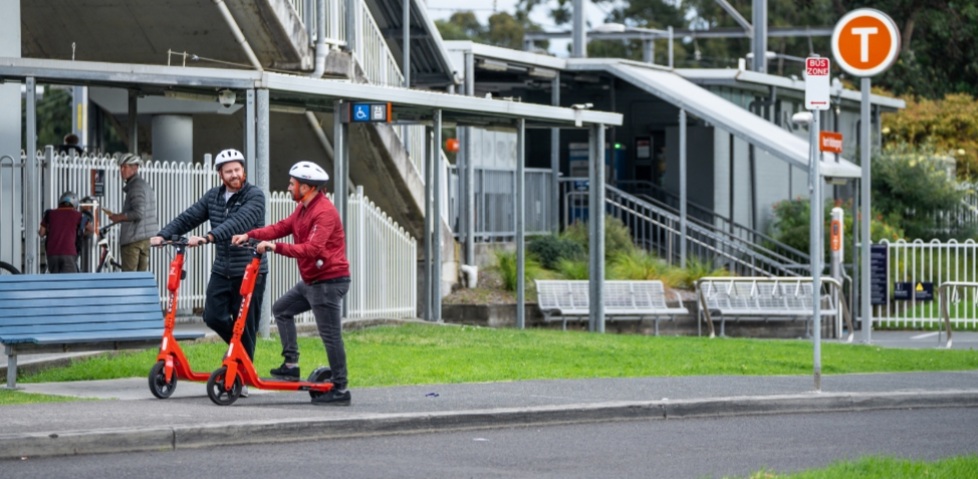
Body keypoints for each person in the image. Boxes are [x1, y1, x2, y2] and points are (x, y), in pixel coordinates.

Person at [232, 161, 352, 406]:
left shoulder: (324, 212)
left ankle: (341, 389)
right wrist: (251, 235)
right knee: (281, 309)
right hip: (312, 281)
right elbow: (282, 227)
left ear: (305, 187)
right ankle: (291, 365)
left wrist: (274, 248)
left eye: (292, 184)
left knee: (330, 336)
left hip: (329, 281)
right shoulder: (304, 209)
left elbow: (312, 249)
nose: (289, 187)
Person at [150, 149, 268, 364]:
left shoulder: (255, 196)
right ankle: (240, 353)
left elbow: (239, 222)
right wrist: (163, 234)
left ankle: (240, 374)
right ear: (220, 174)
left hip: (250, 269)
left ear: (244, 171)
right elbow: (189, 217)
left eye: (237, 170)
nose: (234, 175)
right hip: (222, 269)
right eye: (228, 171)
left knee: (246, 325)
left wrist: (209, 237)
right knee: (212, 316)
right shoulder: (213, 196)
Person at [108, 153, 159, 272]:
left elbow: (138, 213)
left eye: (124, 167)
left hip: (133, 240)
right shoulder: (144, 185)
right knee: (141, 278)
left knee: (129, 279)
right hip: (144, 239)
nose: (121, 170)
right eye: (120, 167)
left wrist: (119, 217)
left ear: (135, 168)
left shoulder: (136, 187)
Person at [39, 191, 94, 273]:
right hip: (69, 252)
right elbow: (91, 230)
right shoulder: (78, 215)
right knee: (70, 282)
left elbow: (41, 233)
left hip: (52, 254)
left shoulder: (49, 214)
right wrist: (79, 234)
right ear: (74, 204)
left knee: (55, 281)